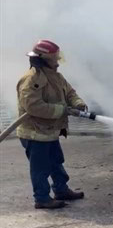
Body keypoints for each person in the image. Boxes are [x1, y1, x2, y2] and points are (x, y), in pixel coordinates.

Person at [16, 39, 89, 209]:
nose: (57, 61)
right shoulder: (31, 79)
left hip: (49, 131)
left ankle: (61, 190)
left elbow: (70, 93)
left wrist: (78, 103)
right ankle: (41, 198)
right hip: (34, 133)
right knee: (40, 168)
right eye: (54, 58)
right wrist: (61, 110)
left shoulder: (56, 76)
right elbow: (33, 106)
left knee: (56, 161)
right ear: (43, 59)